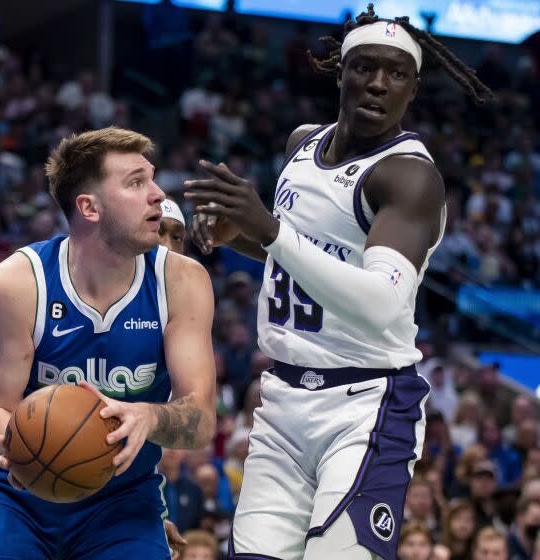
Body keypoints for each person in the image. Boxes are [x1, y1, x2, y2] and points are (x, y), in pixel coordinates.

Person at [187, 4, 491, 559]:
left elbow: (379, 301)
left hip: (365, 404)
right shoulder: (301, 144)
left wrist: (273, 233)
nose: (378, 84)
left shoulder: (410, 177)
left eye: (396, 73)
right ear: (340, 71)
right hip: (282, 399)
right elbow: (305, 257)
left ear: (414, 88)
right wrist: (239, 236)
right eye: (365, 68)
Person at [0, 127, 217, 560]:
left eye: (152, 178)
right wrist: (17, 452)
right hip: (13, 495)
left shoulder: (183, 281)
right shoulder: (15, 284)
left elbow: (202, 421)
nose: (157, 194)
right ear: (88, 207)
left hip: (122, 498)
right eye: (136, 182)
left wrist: (149, 416)